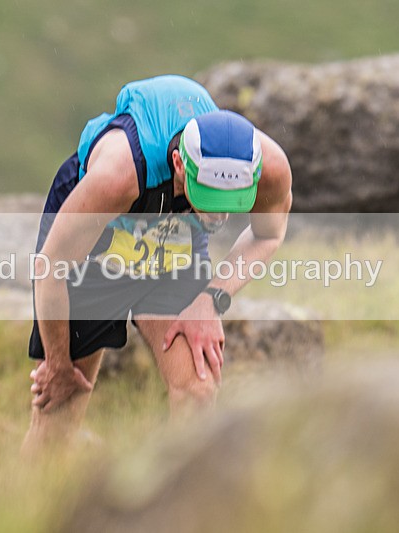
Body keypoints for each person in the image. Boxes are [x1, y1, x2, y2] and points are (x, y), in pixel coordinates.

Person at [21, 75, 292, 454]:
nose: (222, 214)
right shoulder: (117, 176)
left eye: (234, 200)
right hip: (98, 243)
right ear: (181, 164)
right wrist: (58, 365)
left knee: (198, 393)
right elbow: (50, 268)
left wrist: (211, 299)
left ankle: (180, 508)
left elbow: (268, 236)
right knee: (60, 412)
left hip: (175, 243)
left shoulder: (271, 166)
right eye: (210, 198)